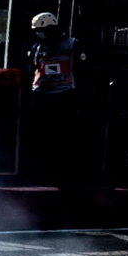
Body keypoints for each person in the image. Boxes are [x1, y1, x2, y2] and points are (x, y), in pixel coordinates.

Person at [26, 12, 86, 187]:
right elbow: (33, 68)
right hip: (42, 95)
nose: (39, 33)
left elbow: (82, 69)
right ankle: (41, 172)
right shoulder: (37, 47)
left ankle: (64, 174)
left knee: (64, 137)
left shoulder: (72, 44)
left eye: (42, 30)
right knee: (42, 137)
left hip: (65, 95)